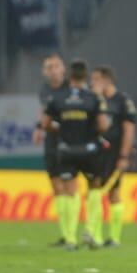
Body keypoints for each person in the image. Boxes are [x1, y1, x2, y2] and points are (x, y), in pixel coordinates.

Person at [42, 59, 109, 251]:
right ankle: (89, 229)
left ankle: (70, 239)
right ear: (86, 77)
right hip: (89, 150)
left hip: (66, 150)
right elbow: (103, 124)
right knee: (94, 189)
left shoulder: (57, 98)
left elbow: (46, 123)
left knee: (71, 191)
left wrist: (60, 127)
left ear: (70, 77)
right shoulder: (93, 98)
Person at [90, 66, 137, 248]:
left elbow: (129, 129)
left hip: (115, 154)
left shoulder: (123, 101)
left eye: (95, 79)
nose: (92, 83)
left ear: (107, 81)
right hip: (95, 153)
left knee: (114, 193)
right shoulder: (94, 100)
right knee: (94, 190)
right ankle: (95, 236)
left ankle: (114, 237)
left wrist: (124, 155)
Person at [32, 54, 73, 245]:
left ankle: (72, 232)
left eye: (56, 66)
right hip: (52, 140)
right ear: (44, 72)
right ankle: (65, 233)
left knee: (69, 185)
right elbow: (43, 112)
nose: (53, 70)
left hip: (70, 140)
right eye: (49, 67)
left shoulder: (70, 89)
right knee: (56, 185)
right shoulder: (44, 91)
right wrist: (39, 128)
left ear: (63, 69)